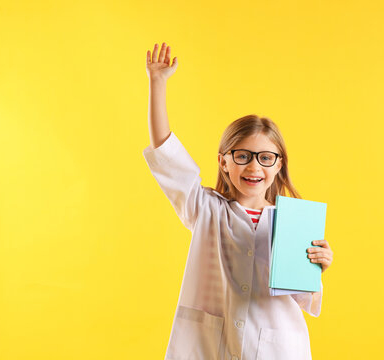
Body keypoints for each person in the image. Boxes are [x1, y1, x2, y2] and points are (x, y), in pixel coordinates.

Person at [143, 42, 334, 360]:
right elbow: (167, 155)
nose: (254, 167)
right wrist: (157, 83)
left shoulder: (295, 224)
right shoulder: (205, 209)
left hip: (278, 348)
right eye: (242, 155)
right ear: (223, 162)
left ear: (279, 165)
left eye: (265, 157)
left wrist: (317, 265)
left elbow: (303, 298)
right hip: (212, 345)